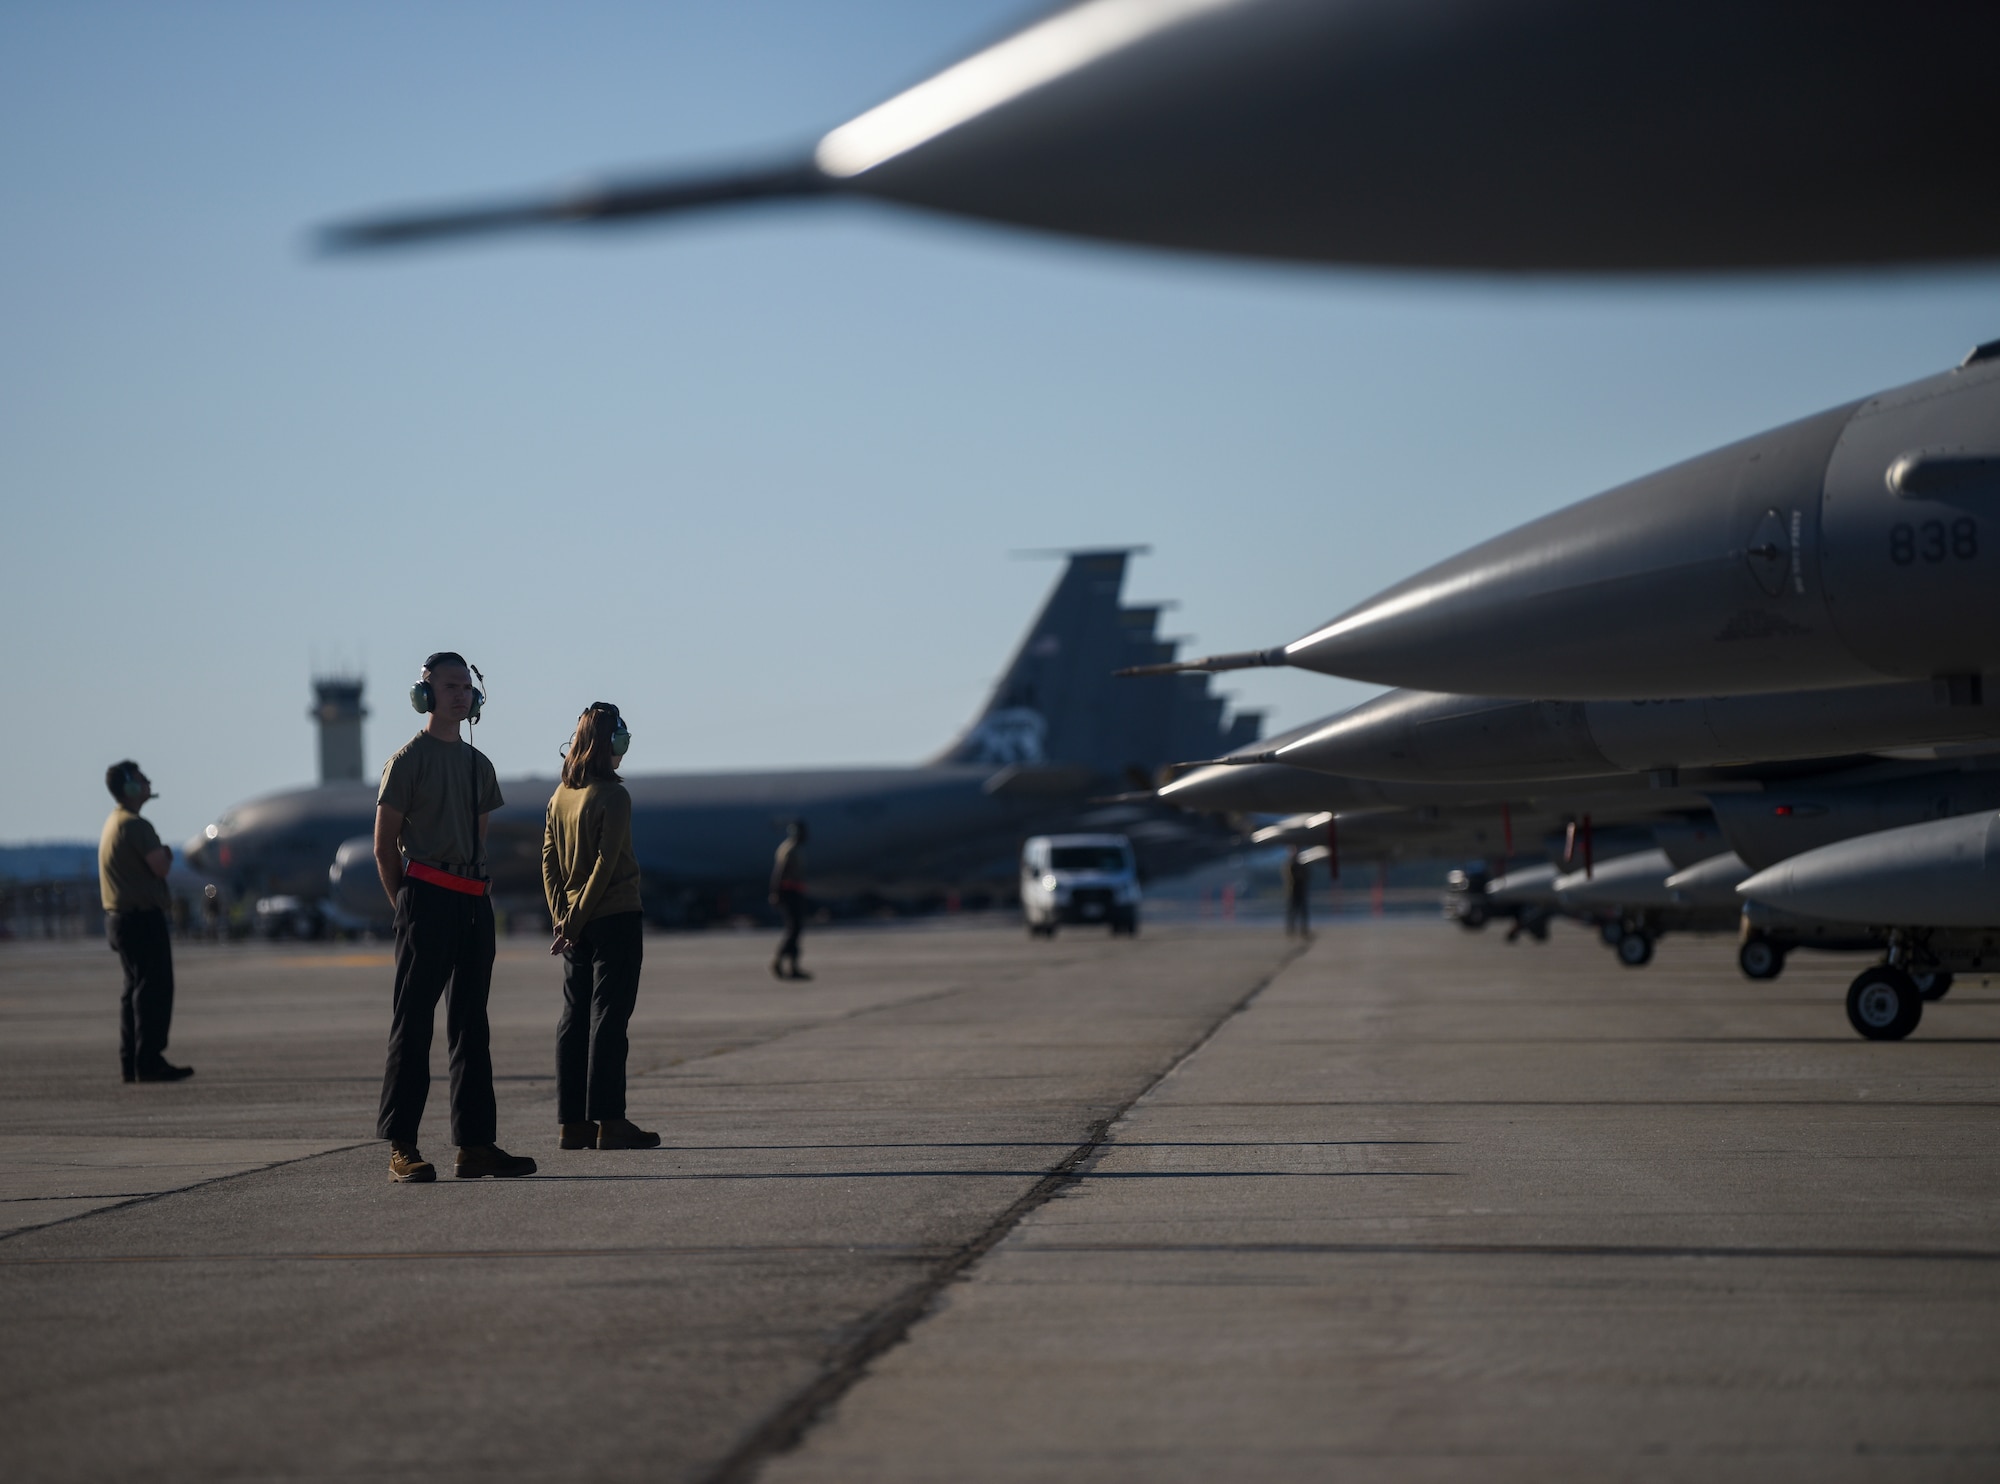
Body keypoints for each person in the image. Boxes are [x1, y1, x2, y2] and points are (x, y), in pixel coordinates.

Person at [373, 652, 536, 1184]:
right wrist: (406, 906)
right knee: (413, 1024)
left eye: (466, 686)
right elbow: (383, 847)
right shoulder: (407, 760)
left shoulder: (478, 765)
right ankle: (403, 1148)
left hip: (472, 902)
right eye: (449, 687)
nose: (460, 695)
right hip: (426, 900)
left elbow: (480, 840)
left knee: (472, 1025)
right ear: (425, 695)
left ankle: (476, 1145)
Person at [543, 702, 659, 1152]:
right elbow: (606, 866)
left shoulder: (560, 797)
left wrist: (564, 918)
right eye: (622, 738)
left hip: (574, 926)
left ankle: (572, 1125)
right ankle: (611, 1121)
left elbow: (549, 863)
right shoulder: (614, 796)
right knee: (610, 1018)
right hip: (614, 916)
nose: (624, 747)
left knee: (573, 1018)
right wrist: (575, 918)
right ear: (608, 743)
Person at [99, 761, 193, 1083]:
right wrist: (165, 853)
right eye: (141, 780)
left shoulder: (114, 823)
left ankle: (133, 1061)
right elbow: (161, 867)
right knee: (154, 989)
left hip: (120, 920)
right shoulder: (136, 826)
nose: (148, 782)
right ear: (129, 788)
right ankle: (149, 1060)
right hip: (141, 920)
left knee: (134, 991)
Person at [769, 819, 811, 980]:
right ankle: (780, 962)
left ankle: (792, 966)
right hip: (789, 892)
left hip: (796, 891)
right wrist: (775, 893)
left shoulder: (796, 849)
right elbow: (779, 872)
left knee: (796, 930)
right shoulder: (789, 849)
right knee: (793, 929)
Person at [1282, 844, 1312, 939]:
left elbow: (1307, 875)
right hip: (1293, 891)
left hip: (1301, 890)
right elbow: (1289, 877)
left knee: (1303, 912)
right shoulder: (1289, 864)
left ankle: (1303, 931)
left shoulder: (1302, 864)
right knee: (1292, 912)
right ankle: (1291, 931)